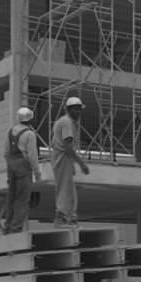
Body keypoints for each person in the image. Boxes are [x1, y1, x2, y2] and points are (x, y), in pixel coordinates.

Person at [50, 96, 91, 227]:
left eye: (80, 109)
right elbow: (67, 146)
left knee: (68, 189)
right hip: (63, 156)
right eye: (76, 109)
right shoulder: (67, 122)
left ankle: (69, 216)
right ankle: (62, 216)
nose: (79, 112)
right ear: (69, 110)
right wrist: (81, 163)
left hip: (61, 156)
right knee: (65, 188)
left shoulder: (62, 121)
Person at [3, 106, 40, 234]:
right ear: (30, 119)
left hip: (11, 167)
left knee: (11, 199)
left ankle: (7, 228)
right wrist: (37, 172)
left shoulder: (9, 131)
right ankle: (15, 229)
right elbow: (32, 156)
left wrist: (9, 170)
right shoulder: (29, 134)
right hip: (23, 168)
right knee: (22, 200)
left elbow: (6, 153)